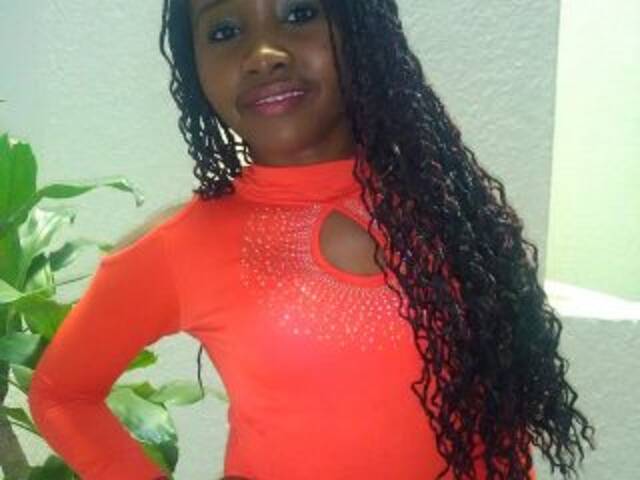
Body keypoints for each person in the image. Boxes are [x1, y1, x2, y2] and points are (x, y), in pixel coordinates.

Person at [27, 0, 597, 479]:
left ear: (360, 29)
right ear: (194, 65)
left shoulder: (456, 217)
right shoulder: (179, 246)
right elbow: (61, 394)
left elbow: (500, 426)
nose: (263, 53)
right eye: (224, 31)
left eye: (299, 13)